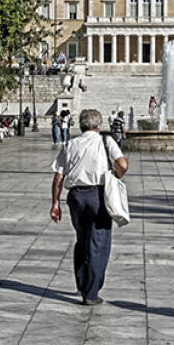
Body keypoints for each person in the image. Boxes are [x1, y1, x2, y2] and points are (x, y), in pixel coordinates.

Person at [50, 109, 129, 306]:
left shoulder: (70, 144)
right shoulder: (105, 141)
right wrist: (115, 175)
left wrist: (55, 203)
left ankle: (82, 282)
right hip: (98, 196)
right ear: (99, 125)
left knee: (82, 239)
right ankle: (91, 292)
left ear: (81, 126)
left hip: (76, 197)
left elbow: (58, 176)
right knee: (99, 242)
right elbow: (123, 164)